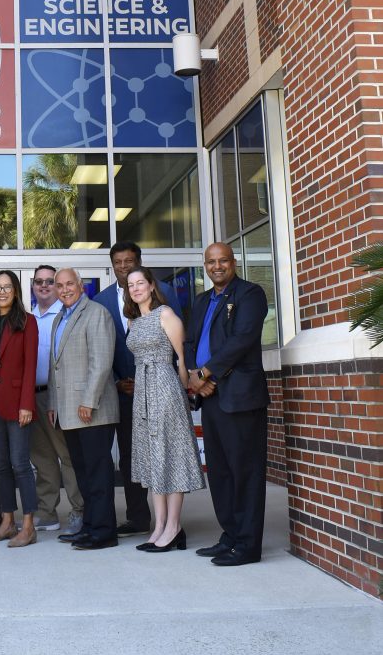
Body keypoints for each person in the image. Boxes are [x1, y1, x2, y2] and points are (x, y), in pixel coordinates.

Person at [185, 243, 269, 566]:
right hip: (211, 398)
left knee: (245, 472)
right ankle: (231, 535)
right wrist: (194, 376)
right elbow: (190, 341)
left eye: (223, 261)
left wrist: (207, 373)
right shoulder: (202, 300)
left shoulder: (250, 294)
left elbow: (242, 339)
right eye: (211, 262)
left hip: (240, 397)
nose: (217, 266)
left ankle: (248, 546)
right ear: (205, 265)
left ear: (233, 263)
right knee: (220, 472)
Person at [94, 241, 182, 538]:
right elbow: (105, 346)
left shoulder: (165, 297)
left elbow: (179, 344)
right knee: (135, 455)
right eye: (118, 262)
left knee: (164, 453)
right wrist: (118, 379)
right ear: (112, 265)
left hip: (161, 388)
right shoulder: (104, 300)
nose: (123, 266)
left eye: (129, 261)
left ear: (140, 262)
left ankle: (170, 524)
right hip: (122, 390)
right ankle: (139, 517)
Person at [124, 268, 205, 553]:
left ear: (150, 286)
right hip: (142, 392)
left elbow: (182, 361)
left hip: (165, 387)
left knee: (170, 454)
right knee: (151, 457)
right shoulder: (133, 321)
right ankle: (158, 525)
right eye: (131, 284)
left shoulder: (166, 314)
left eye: (140, 283)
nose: (135, 288)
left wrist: (184, 395)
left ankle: (174, 527)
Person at [48, 269, 119, 551]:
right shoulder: (59, 318)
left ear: (80, 285)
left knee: (98, 474)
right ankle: (89, 526)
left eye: (70, 284)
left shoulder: (97, 313)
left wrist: (89, 401)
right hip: (68, 412)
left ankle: (104, 532)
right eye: (59, 285)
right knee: (83, 473)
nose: (64, 289)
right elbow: (56, 367)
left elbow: (101, 362)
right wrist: (53, 404)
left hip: (93, 410)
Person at [0, 270, 39, 548]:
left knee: (20, 464)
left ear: (16, 291)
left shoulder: (28, 322)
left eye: (7, 287)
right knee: (0, 465)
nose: (2, 292)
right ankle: (7, 521)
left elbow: (30, 367)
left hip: (15, 401)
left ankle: (28, 526)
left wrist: (27, 403)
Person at [28, 265, 84, 536]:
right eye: (39, 282)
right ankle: (47, 513)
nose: (45, 286)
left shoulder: (63, 317)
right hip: (33, 396)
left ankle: (79, 511)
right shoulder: (28, 319)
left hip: (59, 397)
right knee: (42, 459)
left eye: (50, 281)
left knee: (68, 456)